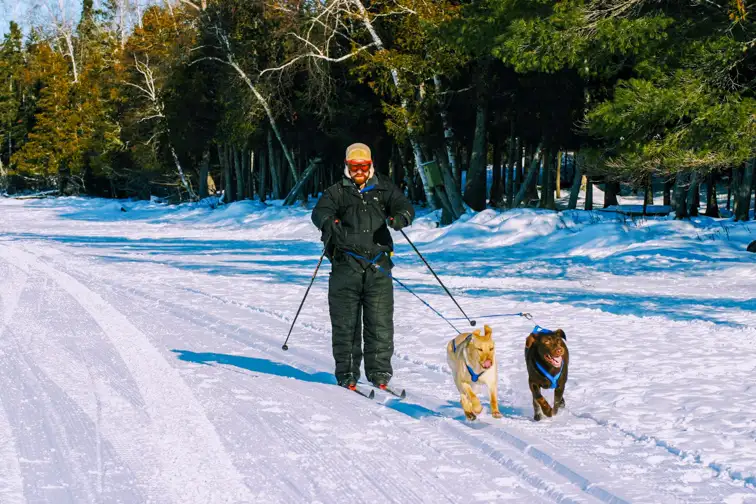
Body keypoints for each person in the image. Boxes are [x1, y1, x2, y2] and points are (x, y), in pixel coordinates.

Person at [311, 143, 415, 389]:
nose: (359, 170)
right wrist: (328, 222)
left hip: (378, 267)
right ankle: (346, 373)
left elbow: (405, 207)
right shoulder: (336, 192)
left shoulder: (384, 189)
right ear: (347, 166)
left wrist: (400, 218)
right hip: (345, 266)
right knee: (346, 324)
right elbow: (319, 212)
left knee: (380, 324)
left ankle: (379, 373)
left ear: (370, 166)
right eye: (354, 166)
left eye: (363, 166)